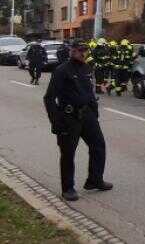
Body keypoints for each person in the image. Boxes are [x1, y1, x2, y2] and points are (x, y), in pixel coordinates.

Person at [43, 40, 112, 202]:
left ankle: (94, 180)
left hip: (87, 115)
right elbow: (49, 98)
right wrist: (56, 122)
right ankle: (68, 188)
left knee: (98, 146)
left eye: (85, 50)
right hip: (69, 117)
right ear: (72, 51)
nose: (84, 53)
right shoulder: (61, 71)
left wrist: (94, 111)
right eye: (80, 50)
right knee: (68, 153)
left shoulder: (87, 68)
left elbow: (89, 91)